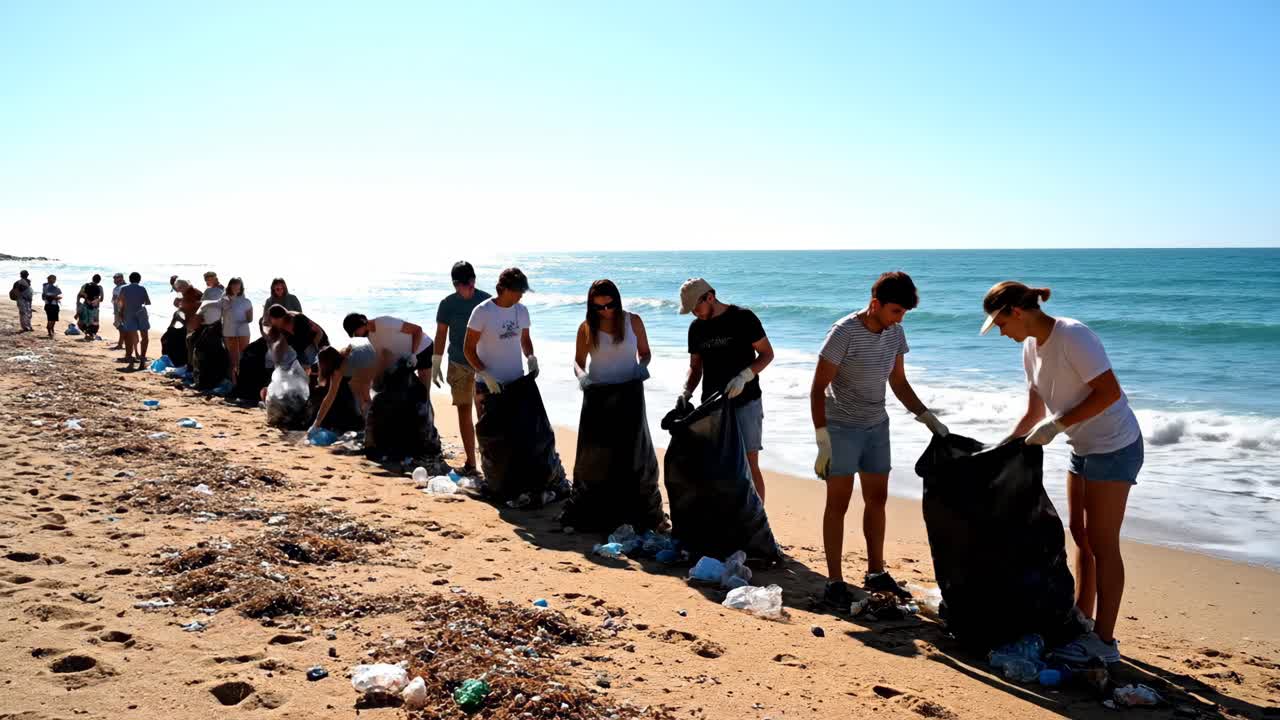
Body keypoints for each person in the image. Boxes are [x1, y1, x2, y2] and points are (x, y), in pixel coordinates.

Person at [981, 281, 1143, 665]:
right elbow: (1033, 414)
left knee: (1104, 545)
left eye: (1001, 324)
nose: (1001, 332)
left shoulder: (1073, 336)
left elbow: (1109, 394)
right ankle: (1082, 620)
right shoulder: (1028, 348)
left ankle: (1104, 642)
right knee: (1080, 534)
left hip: (1114, 445)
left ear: (1016, 312)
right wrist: (1001, 449)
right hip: (1082, 447)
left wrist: (1056, 426)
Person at [809, 271, 948, 608]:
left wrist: (927, 417)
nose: (899, 319)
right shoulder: (843, 333)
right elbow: (817, 388)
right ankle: (834, 581)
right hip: (840, 429)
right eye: (895, 311)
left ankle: (875, 571)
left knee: (877, 500)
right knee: (837, 505)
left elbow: (898, 383)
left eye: (903, 314)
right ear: (876, 304)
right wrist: (822, 439)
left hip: (876, 427)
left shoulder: (895, 332)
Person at [678, 278, 775, 501]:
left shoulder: (743, 318)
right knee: (719, 465)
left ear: (710, 297)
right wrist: (686, 391)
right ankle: (729, 520)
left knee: (749, 465)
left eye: (696, 308)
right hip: (712, 406)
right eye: (691, 310)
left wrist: (745, 376)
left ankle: (759, 522)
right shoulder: (697, 328)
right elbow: (695, 367)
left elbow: (767, 354)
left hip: (747, 402)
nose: (695, 314)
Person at [432, 261, 491, 474]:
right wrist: (436, 362)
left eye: (472, 282)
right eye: (465, 284)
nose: (470, 287)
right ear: (455, 284)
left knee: (485, 414)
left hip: (483, 365)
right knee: (464, 411)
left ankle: (489, 462)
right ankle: (471, 463)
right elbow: (441, 334)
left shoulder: (486, 300)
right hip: (458, 364)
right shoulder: (447, 304)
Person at [463, 267, 536, 417]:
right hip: (488, 386)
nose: (522, 295)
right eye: (520, 291)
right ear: (506, 289)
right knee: (490, 437)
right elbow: (468, 349)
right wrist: (484, 374)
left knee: (518, 434)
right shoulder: (482, 311)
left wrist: (530, 357)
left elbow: (525, 339)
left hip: (516, 383)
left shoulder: (522, 310)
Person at [573, 279, 651, 386]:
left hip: (631, 389)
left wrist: (642, 367)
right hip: (597, 391)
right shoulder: (585, 328)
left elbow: (645, 353)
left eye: (609, 305)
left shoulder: (634, 321)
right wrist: (582, 377)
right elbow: (578, 363)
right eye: (599, 307)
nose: (606, 310)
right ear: (592, 307)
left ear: (617, 301)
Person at [342, 312, 433, 386]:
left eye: (355, 334)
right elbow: (383, 357)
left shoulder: (384, 322)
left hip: (423, 348)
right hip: (407, 356)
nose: (357, 336)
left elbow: (417, 330)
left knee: (424, 387)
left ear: (362, 323)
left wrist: (413, 354)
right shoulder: (371, 337)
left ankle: (426, 405)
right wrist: (377, 377)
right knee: (402, 384)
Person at [309, 342, 378, 432]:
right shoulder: (343, 358)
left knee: (365, 400)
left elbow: (329, 398)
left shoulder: (340, 369)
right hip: (373, 358)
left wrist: (316, 424)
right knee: (364, 400)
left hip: (373, 364)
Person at [266, 305, 328, 370]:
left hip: (319, 342)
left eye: (274, 319)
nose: (273, 322)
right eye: (271, 320)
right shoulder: (278, 329)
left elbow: (319, 333)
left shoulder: (299, 319)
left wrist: (314, 350)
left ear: (282, 317)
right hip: (303, 348)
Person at [220, 278, 254, 383]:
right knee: (233, 360)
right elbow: (219, 314)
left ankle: (243, 383)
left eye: (238, 285)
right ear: (230, 285)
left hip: (243, 331)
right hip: (229, 331)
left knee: (243, 359)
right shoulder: (224, 299)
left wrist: (241, 320)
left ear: (241, 287)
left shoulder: (246, 301)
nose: (236, 287)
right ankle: (235, 384)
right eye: (234, 285)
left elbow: (250, 319)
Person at [118, 272, 152, 365]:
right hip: (140, 312)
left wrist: (121, 312)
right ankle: (143, 356)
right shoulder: (142, 288)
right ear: (139, 280)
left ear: (129, 279)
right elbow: (148, 302)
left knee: (130, 335)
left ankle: (129, 356)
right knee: (144, 335)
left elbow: (120, 301)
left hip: (128, 312)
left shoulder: (124, 288)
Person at [75, 274, 104, 340]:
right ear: (99, 281)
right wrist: (96, 301)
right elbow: (102, 299)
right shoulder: (100, 287)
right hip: (95, 307)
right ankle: (91, 335)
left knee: (81, 322)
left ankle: (87, 334)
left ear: (92, 278)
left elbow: (79, 295)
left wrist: (78, 303)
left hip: (85, 306)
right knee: (94, 323)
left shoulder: (85, 285)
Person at [109, 273, 126, 349]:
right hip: (120, 310)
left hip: (120, 310)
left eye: (116, 278)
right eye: (114, 279)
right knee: (121, 326)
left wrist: (120, 311)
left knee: (121, 327)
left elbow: (119, 300)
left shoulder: (121, 288)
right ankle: (122, 342)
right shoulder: (120, 287)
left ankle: (120, 344)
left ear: (121, 278)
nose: (114, 280)